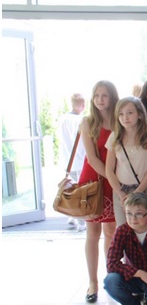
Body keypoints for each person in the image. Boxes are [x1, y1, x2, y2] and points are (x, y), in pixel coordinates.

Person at [79, 80, 119, 303]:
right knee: (92, 233)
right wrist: (112, 179)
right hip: (93, 181)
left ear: (112, 97)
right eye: (96, 95)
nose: (100, 100)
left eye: (104, 95)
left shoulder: (119, 120)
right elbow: (92, 159)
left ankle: (110, 278)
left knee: (111, 231)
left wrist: (115, 180)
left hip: (113, 179)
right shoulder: (87, 122)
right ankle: (92, 283)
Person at [105, 97, 147, 226]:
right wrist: (120, 193)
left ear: (139, 114)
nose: (125, 117)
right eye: (121, 114)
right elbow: (109, 170)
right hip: (121, 190)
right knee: (123, 229)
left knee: (145, 228)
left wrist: (137, 192)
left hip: (144, 189)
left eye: (130, 113)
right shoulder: (114, 137)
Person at [58, 92, 86, 231]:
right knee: (80, 193)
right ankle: (81, 222)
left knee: (70, 190)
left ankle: (71, 216)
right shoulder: (81, 120)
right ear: (83, 105)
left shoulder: (62, 119)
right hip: (79, 161)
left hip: (67, 161)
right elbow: (82, 144)